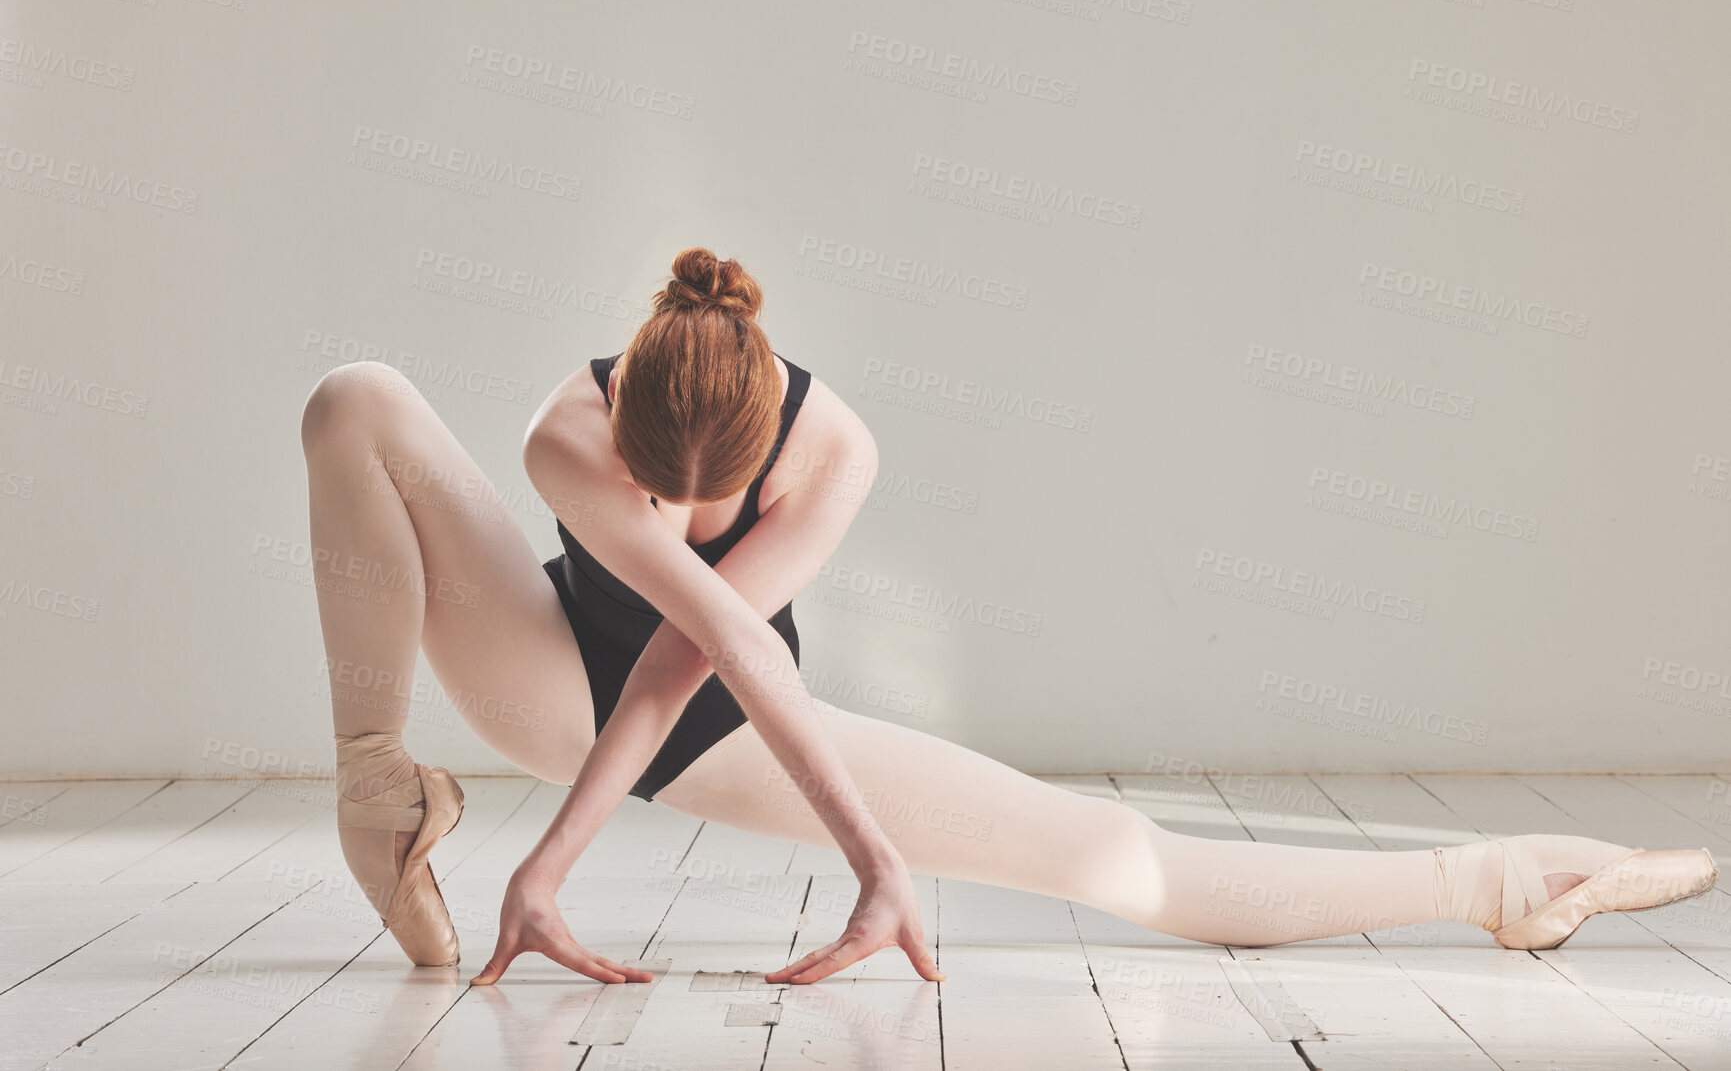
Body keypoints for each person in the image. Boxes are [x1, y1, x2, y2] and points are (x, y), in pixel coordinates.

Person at [298, 247, 1717, 987]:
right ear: (618, 422)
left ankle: (1499, 885)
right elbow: (669, 630)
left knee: (1122, 858)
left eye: (702, 507)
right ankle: (377, 784)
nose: (667, 523)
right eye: (643, 500)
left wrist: (873, 860)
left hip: (713, 725)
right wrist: (549, 867)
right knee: (355, 398)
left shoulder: (835, 449)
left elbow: (705, 657)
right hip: (547, 670)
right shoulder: (566, 433)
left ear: (763, 444)